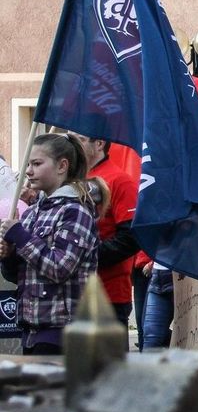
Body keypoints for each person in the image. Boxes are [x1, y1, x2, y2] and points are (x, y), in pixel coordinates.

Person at [0, 134, 100, 355]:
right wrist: (8, 256)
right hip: (31, 331)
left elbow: (60, 268)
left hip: (64, 334)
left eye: (36, 163)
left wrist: (20, 236)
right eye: (28, 164)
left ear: (62, 166)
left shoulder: (75, 211)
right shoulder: (33, 212)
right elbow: (17, 275)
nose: (28, 171)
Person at [72, 134, 141, 339]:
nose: (73, 145)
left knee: (108, 368)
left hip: (108, 294)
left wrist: (84, 259)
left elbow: (131, 237)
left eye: (80, 140)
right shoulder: (72, 180)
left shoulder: (119, 180)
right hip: (72, 295)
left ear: (99, 144)